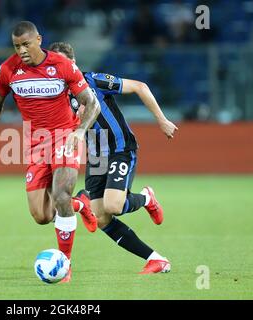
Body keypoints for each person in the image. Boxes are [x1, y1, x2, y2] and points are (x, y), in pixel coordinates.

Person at [0, 21, 101, 282]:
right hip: (35, 145)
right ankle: (80, 204)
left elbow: (91, 103)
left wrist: (79, 132)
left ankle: (65, 264)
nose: (21, 50)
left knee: (60, 195)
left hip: (65, 137)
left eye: (25, 44)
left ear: (38, 40)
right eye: (16, 45)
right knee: (41, 216)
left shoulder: (63, 65)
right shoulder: (8, 70)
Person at [48, 42, 178, 274]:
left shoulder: (93, 81)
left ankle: (147, 199)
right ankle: (156, 259)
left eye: (60, 63)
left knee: (114, 205)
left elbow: (140, 86)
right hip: (96, 157)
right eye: (53, 64)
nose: (56, 69)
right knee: (101, 218)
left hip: (120, 148)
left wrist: (161, 119)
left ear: (72, 64)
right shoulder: (57, 97)